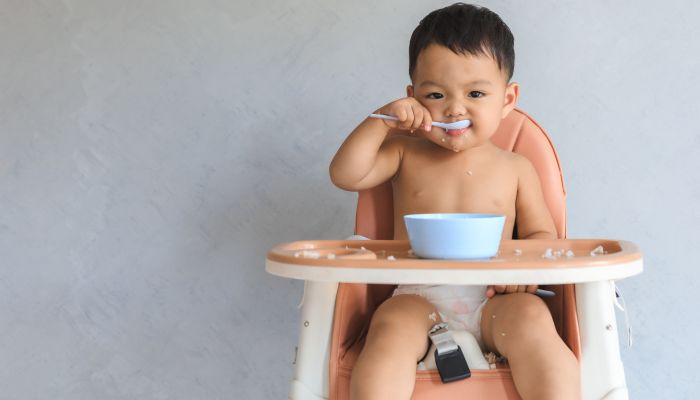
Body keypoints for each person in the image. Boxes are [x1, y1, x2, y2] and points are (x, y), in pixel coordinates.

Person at [329, 3, 580, 400]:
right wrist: (382, 120)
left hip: (494, 299)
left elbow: (541, 234)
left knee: (533, 319)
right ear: (412, 98)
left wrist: (521, 273)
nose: (455, 108)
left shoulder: (517, 167)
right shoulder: (403, 153)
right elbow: (346, 174)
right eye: (435, 94)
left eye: (476, 93)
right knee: (389, 326)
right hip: (417, 294)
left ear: (508, 99)